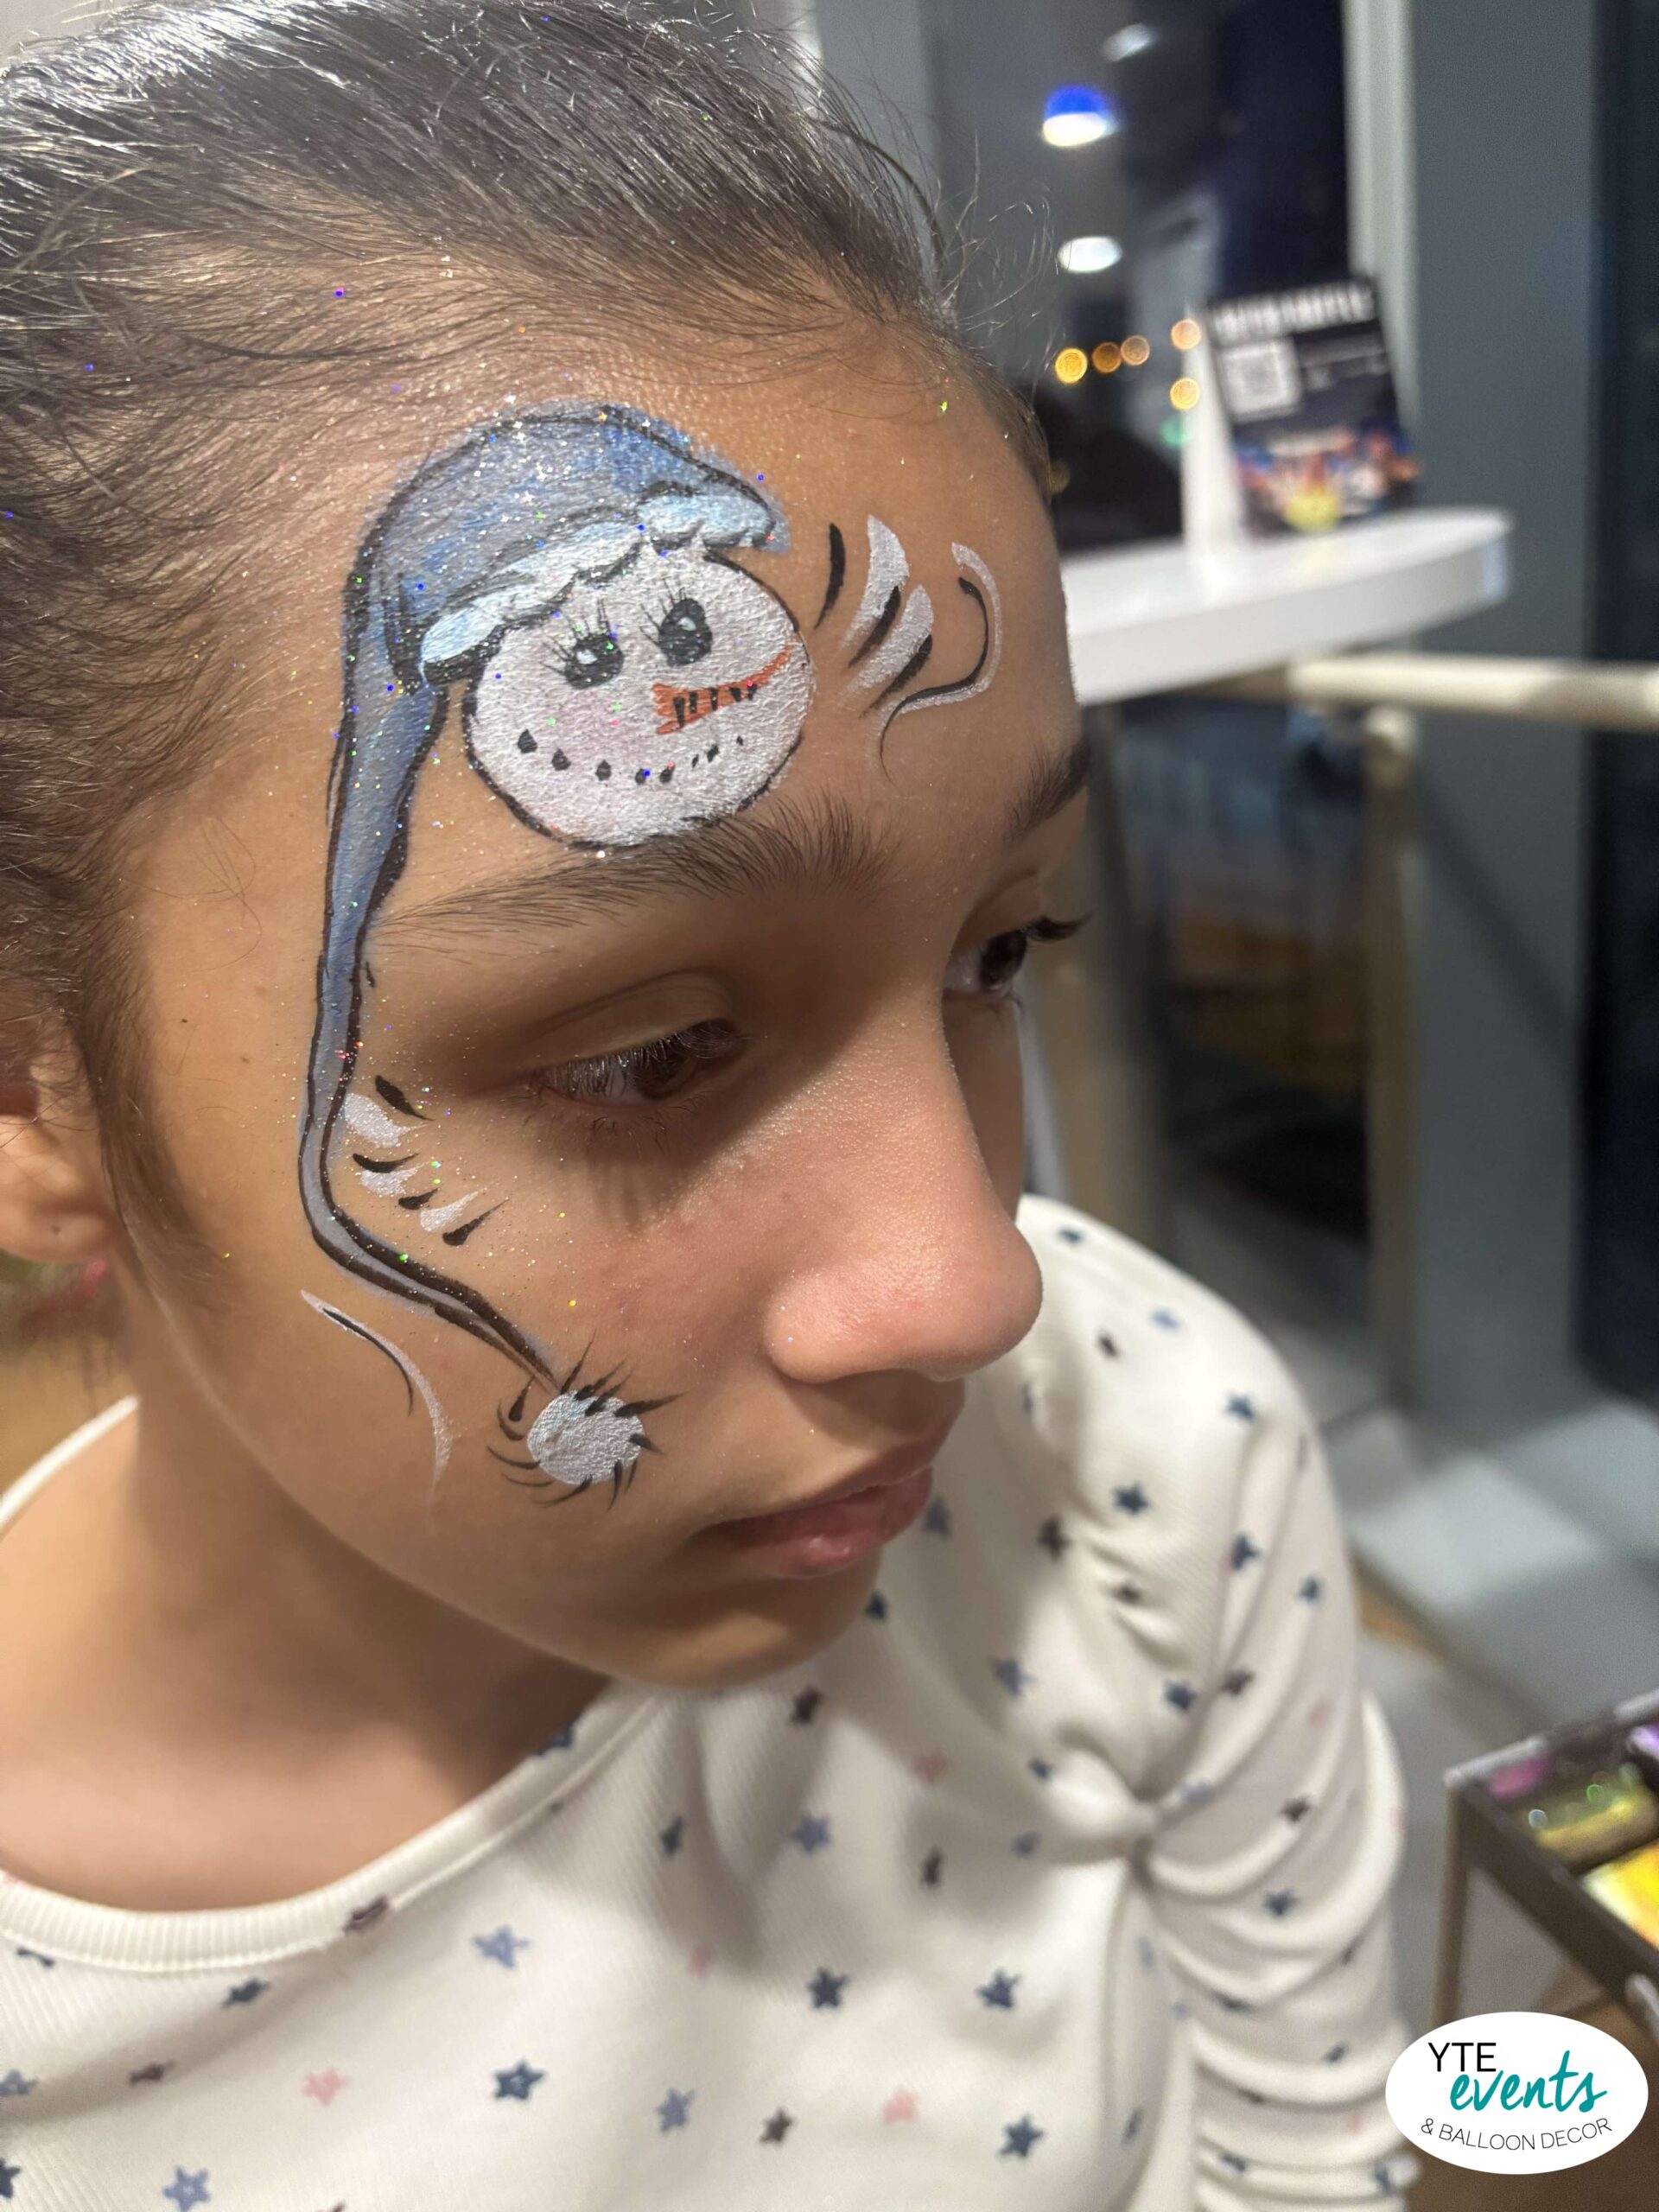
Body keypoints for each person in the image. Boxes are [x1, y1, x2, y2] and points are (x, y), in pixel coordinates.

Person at [0, 3, 1411, 2203]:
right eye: (643, 1055)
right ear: (32, 1076)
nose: (970, 1283)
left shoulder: (1137, 1462)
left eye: (1002, 949)